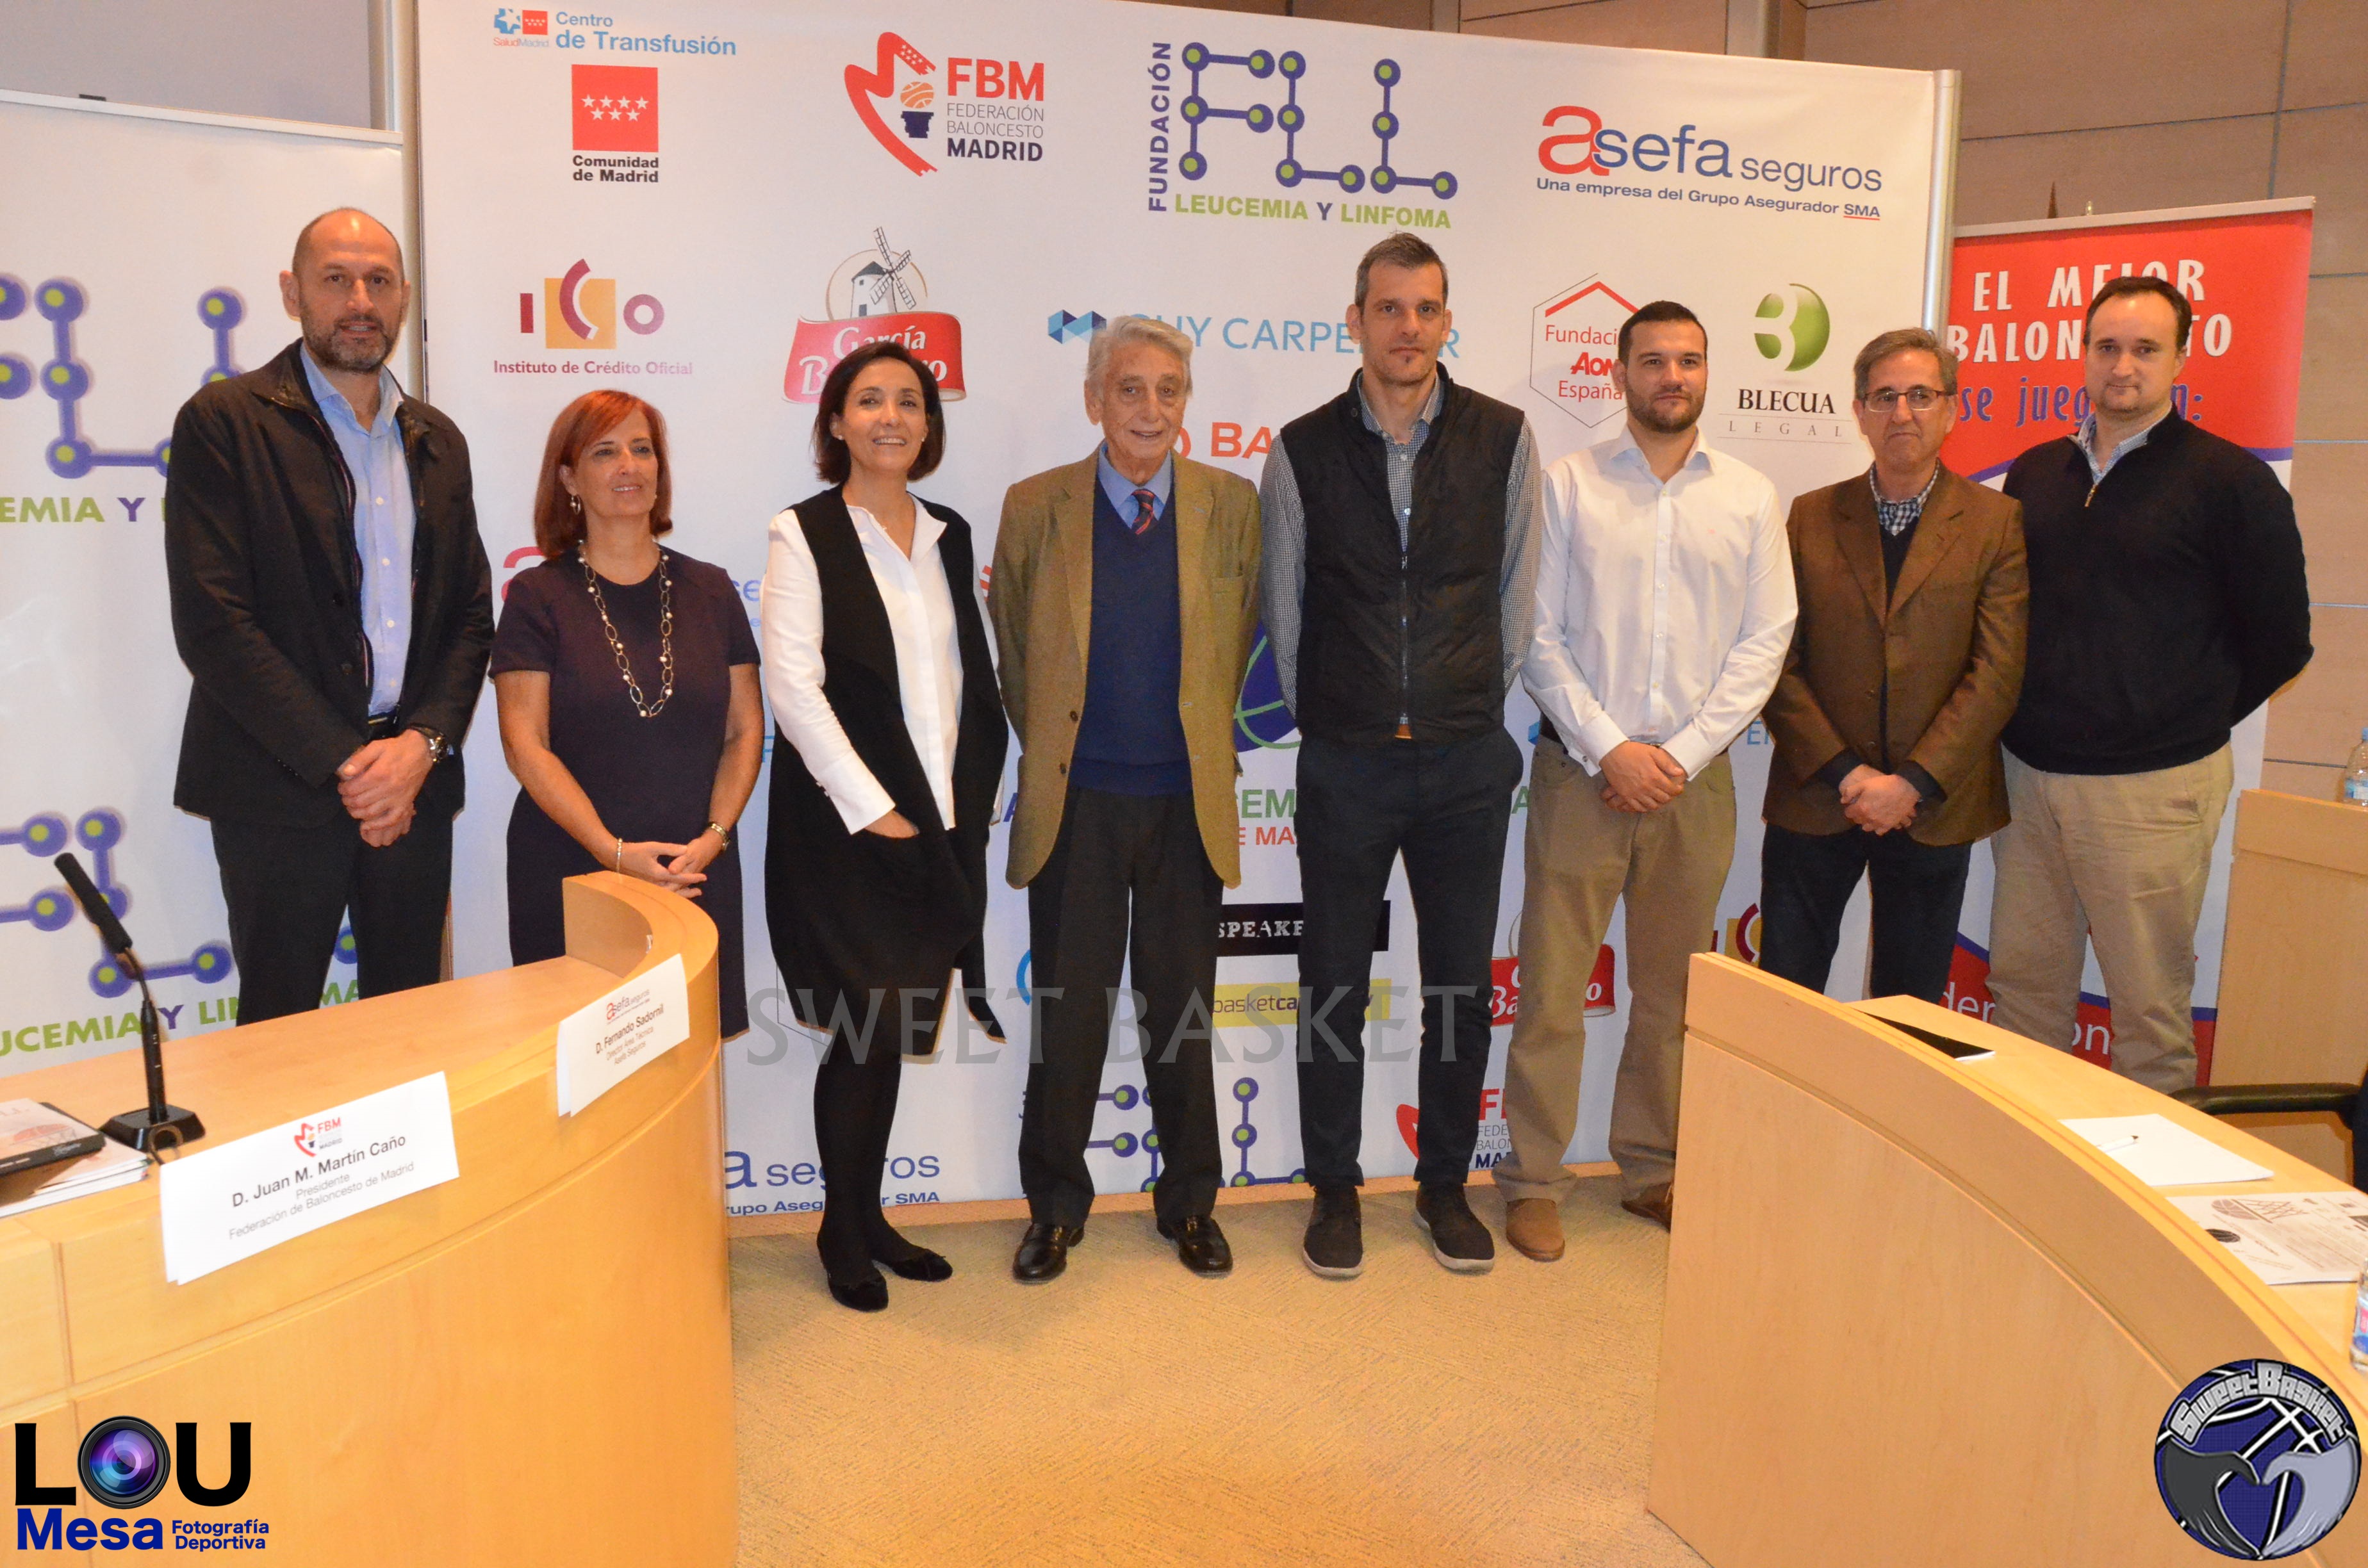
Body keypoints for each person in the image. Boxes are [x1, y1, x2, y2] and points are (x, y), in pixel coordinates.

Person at [1258, 233, 1541, 1278]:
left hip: (1466, 763)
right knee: (1333, 984)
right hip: (1348, 762)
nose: (1407, 328)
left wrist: (1462, 703)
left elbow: (1516, 594)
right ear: (1357, 321)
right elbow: (1285, 611)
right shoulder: (1300, 449)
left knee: (1459, 987)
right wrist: (1342, 714)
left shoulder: (1504, 438)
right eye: (1388, 308)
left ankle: (1443, 1187)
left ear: (1446, 321)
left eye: (1425, 308)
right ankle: (1334, 1189)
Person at [1495, 301, 1795, 1261]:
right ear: (1620, 372)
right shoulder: (1568, 486)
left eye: (1689, 361)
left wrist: (1684, 754)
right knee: (1552, 991)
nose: (1673, 377)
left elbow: (1766, 640)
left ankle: (1653, 1169)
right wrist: (1610, 748)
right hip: (1582, 773)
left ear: (1708, 374)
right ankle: (1533, 1180)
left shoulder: (1749, 496)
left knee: (1672, 998)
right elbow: (1535, 633)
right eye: (1654, 360)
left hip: (1694, 783)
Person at [163, 208, 492, 1024]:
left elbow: (469, 616)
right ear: (293, 293)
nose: (360, 302)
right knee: (278, 1034)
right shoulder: (225, 423)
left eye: (379, 282)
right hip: (277, 785)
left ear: (404, 296)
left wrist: (419, 748)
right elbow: (215, 623)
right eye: (336, 280)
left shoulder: (438, 440)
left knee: (408, 1026)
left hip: (414, 782)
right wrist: (354, 765)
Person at [1988, 275, 2312, 1092]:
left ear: (2181, 357)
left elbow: (2282, 641)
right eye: (2107, 347)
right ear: (2083, 354)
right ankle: (2023, 1166)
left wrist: (2175, 713)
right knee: (2022, 998)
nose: (2122, 366)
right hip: (2027, 781)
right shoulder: (2036, 473)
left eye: (2144, 348)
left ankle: (2143, 1176)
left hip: (2152, 790)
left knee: (2148, 1016)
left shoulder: (2231, 482)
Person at [991, 316, 1262, 1283]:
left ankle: (1190, 1203)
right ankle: (1055, 1210)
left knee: (1182, 1018)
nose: (1151, 409)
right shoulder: (1036, 505)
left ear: (1188, 402)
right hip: (1080, 804)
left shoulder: (1233, 504)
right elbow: (1015, 653)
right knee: (1069, 1021)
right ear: (1094, 399)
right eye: (1131, 389)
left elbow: (1245, 636)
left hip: (1188, 805)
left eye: (1169, 390)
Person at [759, 341, 1007, 1312]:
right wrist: (876, 813)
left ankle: (868, 1218)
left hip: (938, 824)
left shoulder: (949, 532)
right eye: (869, 400)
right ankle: (840, 1228)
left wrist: (957, 808)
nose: (891, 417)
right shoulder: (802, 532)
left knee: (893, 1025)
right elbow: (795, 690)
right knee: (862, 1030)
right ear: (837, 422)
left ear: (928, 424)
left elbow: (961, 678)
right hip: (850, 830)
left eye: (909, 400)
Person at [1757, 329, 2027, 1006]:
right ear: (1859, 412)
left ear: (1952, 409)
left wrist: (1911, 782)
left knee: (1909, 1011)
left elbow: (1997, 671)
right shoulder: (1810, 516)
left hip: (1932, 804)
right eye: (1884, 397)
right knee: (1783, 1004)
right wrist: (1849, 775)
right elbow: (1776, 660)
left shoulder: (1996, 522)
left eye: (1920, 395)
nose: (1901, 413)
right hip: (1819, 795)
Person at [489, 391, 762, 1037]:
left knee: (687, 1063)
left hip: (694, 868)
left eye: (642, 449)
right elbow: (525, 744)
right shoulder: (536, 596)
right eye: (604, 452)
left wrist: (714, 837)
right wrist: (610, 852)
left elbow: (745, 730)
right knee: (582, 1061)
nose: (629, 466)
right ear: (568, 478)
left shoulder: (712, 590)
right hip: (573, 868)